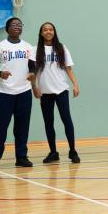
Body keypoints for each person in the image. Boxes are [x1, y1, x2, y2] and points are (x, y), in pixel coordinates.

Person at [0, 17, 36, 170]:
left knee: (22, 127)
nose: (17, 27)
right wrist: (0, 74)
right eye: (14, 25)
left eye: (19, 25)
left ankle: (21, 157)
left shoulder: (28, 47)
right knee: (1, 127)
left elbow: (33, 66)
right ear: (7, 28)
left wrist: (32, 73)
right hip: (5, 92)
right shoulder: (0, 47)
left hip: (24, 92)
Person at [34, 22, 81, 164]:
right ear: (41, 33)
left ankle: (73, 151)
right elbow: (33, 71)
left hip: (61, 90)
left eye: (51, 29)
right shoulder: (35, 50)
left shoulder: (61, 48)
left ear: (54, 32)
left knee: (67, 120)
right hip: (45, 92)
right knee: (48, 123)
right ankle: (53, 152)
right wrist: (34, 87)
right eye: (45, 30)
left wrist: (75, 84)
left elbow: (68, 68)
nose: (48, 31)